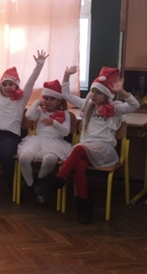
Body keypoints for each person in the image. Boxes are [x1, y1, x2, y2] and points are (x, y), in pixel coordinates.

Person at [37, 66, 139, 224]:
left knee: (78, 148)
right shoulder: (87, 104)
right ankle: (84, 206)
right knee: (79, 166)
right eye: (92, 91)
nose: (94, 95)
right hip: (86, 149)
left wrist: (123, 92)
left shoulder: (115, 108)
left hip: (104, 149)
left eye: (98, 92)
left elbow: (135, 106)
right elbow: (66, 95)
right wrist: (66, 75)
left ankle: (54, 183)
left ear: (107, 95)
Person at [0, 50, 48, 194]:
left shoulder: (21, 99)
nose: (7, 87)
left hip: (11, 136)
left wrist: (39, 64)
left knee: (5, 154)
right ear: (1, 86)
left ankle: (11, 183)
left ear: (17, 87)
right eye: (5, 84)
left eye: (11, 84)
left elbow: (31, 82)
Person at [17, 79, 73, 205]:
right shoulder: (40, 111)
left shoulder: (65, 114)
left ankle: (38, 181)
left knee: (49, 159)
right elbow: (29, 116)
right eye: (46, 98)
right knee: (24, 157)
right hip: (37, 140)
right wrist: (37, 102)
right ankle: (32, 186)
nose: (48, 101)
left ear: (59, 101)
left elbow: (65, 132)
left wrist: (53, 123)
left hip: (56, 142)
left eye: (52, 99)